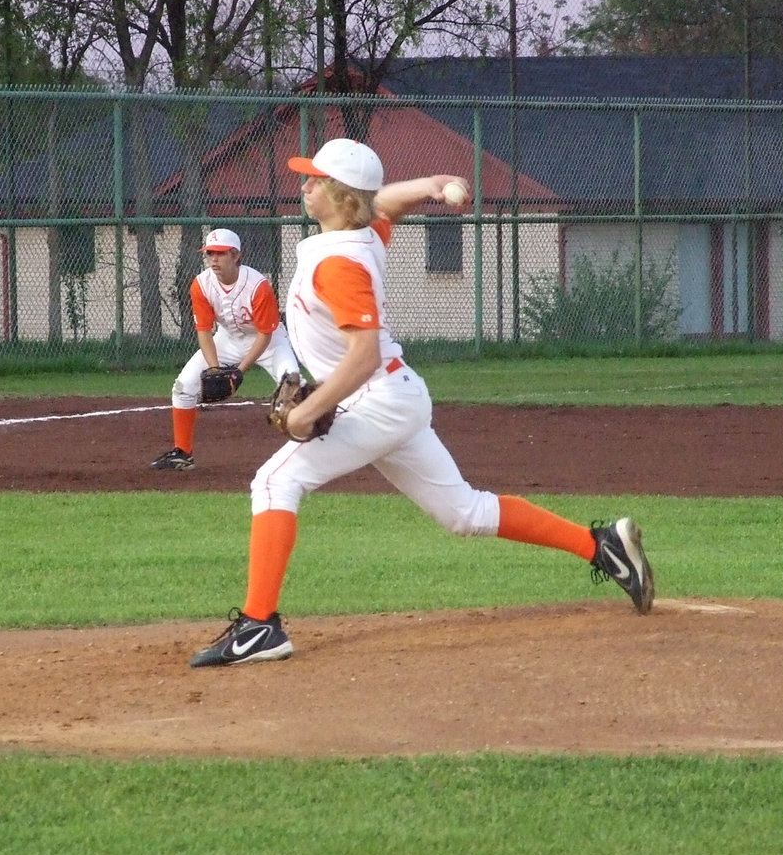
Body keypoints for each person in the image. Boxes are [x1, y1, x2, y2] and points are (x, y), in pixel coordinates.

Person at [189, 138, 655, 667]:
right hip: (393, 395)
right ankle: (603, 547)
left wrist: (306, 411)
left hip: (379, 396)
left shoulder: (341, 263)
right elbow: (383, 202)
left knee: (275, 481)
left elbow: (362, 355)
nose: (305, 184)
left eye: (316, 179)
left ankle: (258, 627)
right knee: (464, 511)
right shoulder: (357, 233)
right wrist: (432, 185)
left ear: (342, 197)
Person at [150, 228, 301, 470]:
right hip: (227, 340)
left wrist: (238, 372)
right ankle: (183, 452)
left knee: (295, 389)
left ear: (236, 256)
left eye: (220, 254)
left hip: (269, 342)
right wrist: (214, 368)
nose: (214, 259)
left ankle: (316, 449)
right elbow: (204, 330)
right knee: (183, 388)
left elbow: (265, 334)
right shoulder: (201, 284)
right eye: (210, 253)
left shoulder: (257, 285)